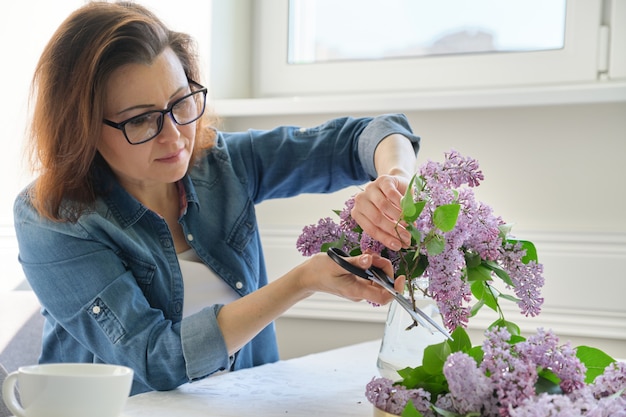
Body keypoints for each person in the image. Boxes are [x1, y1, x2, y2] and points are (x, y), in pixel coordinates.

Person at [13, 1, 420, 395]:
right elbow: (157, 358)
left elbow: (373, 133)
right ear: (81, 127)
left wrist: (394, 180)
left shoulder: (220, 163)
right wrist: (303, 281)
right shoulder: (51, 219)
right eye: (140, 119)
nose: (175, 137)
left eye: (180, 101)